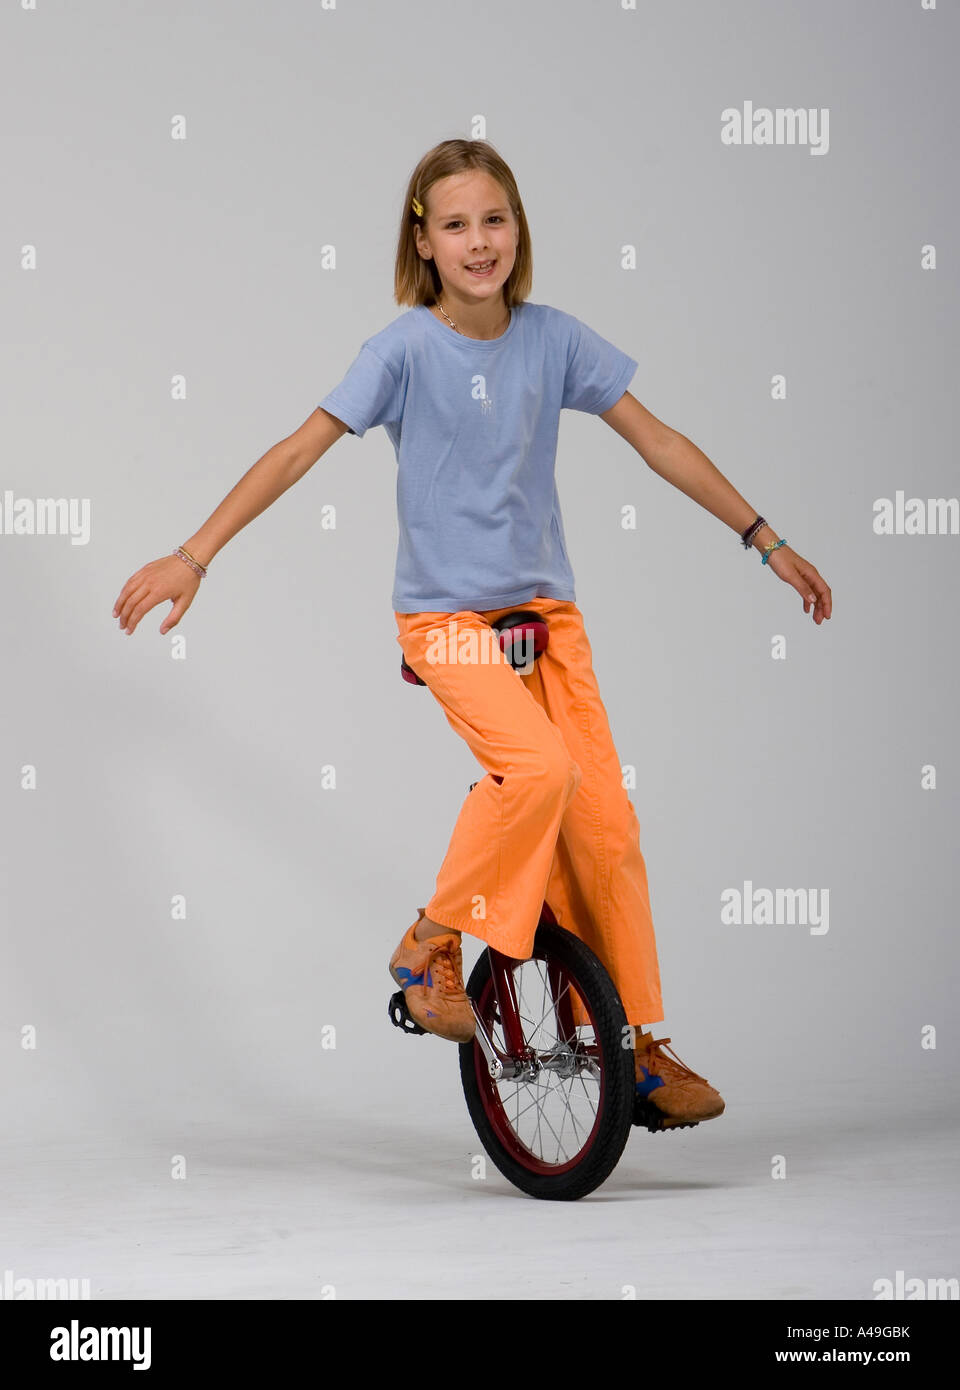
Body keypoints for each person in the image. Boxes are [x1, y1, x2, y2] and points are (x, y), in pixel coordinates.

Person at [112, 138, 832, 1132]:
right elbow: (296, 451)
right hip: (445, 621)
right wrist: (195, 554)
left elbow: (658, 439)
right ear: (425, 239)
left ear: (518, 228)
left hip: (549, 620)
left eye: (495, 219)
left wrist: (765, 537)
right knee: (535, 772)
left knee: (607, 830)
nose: (479, 240)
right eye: (456, 224)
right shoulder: (403, 350)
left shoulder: (554, 339)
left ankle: (633, 1044)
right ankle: (431, 944)